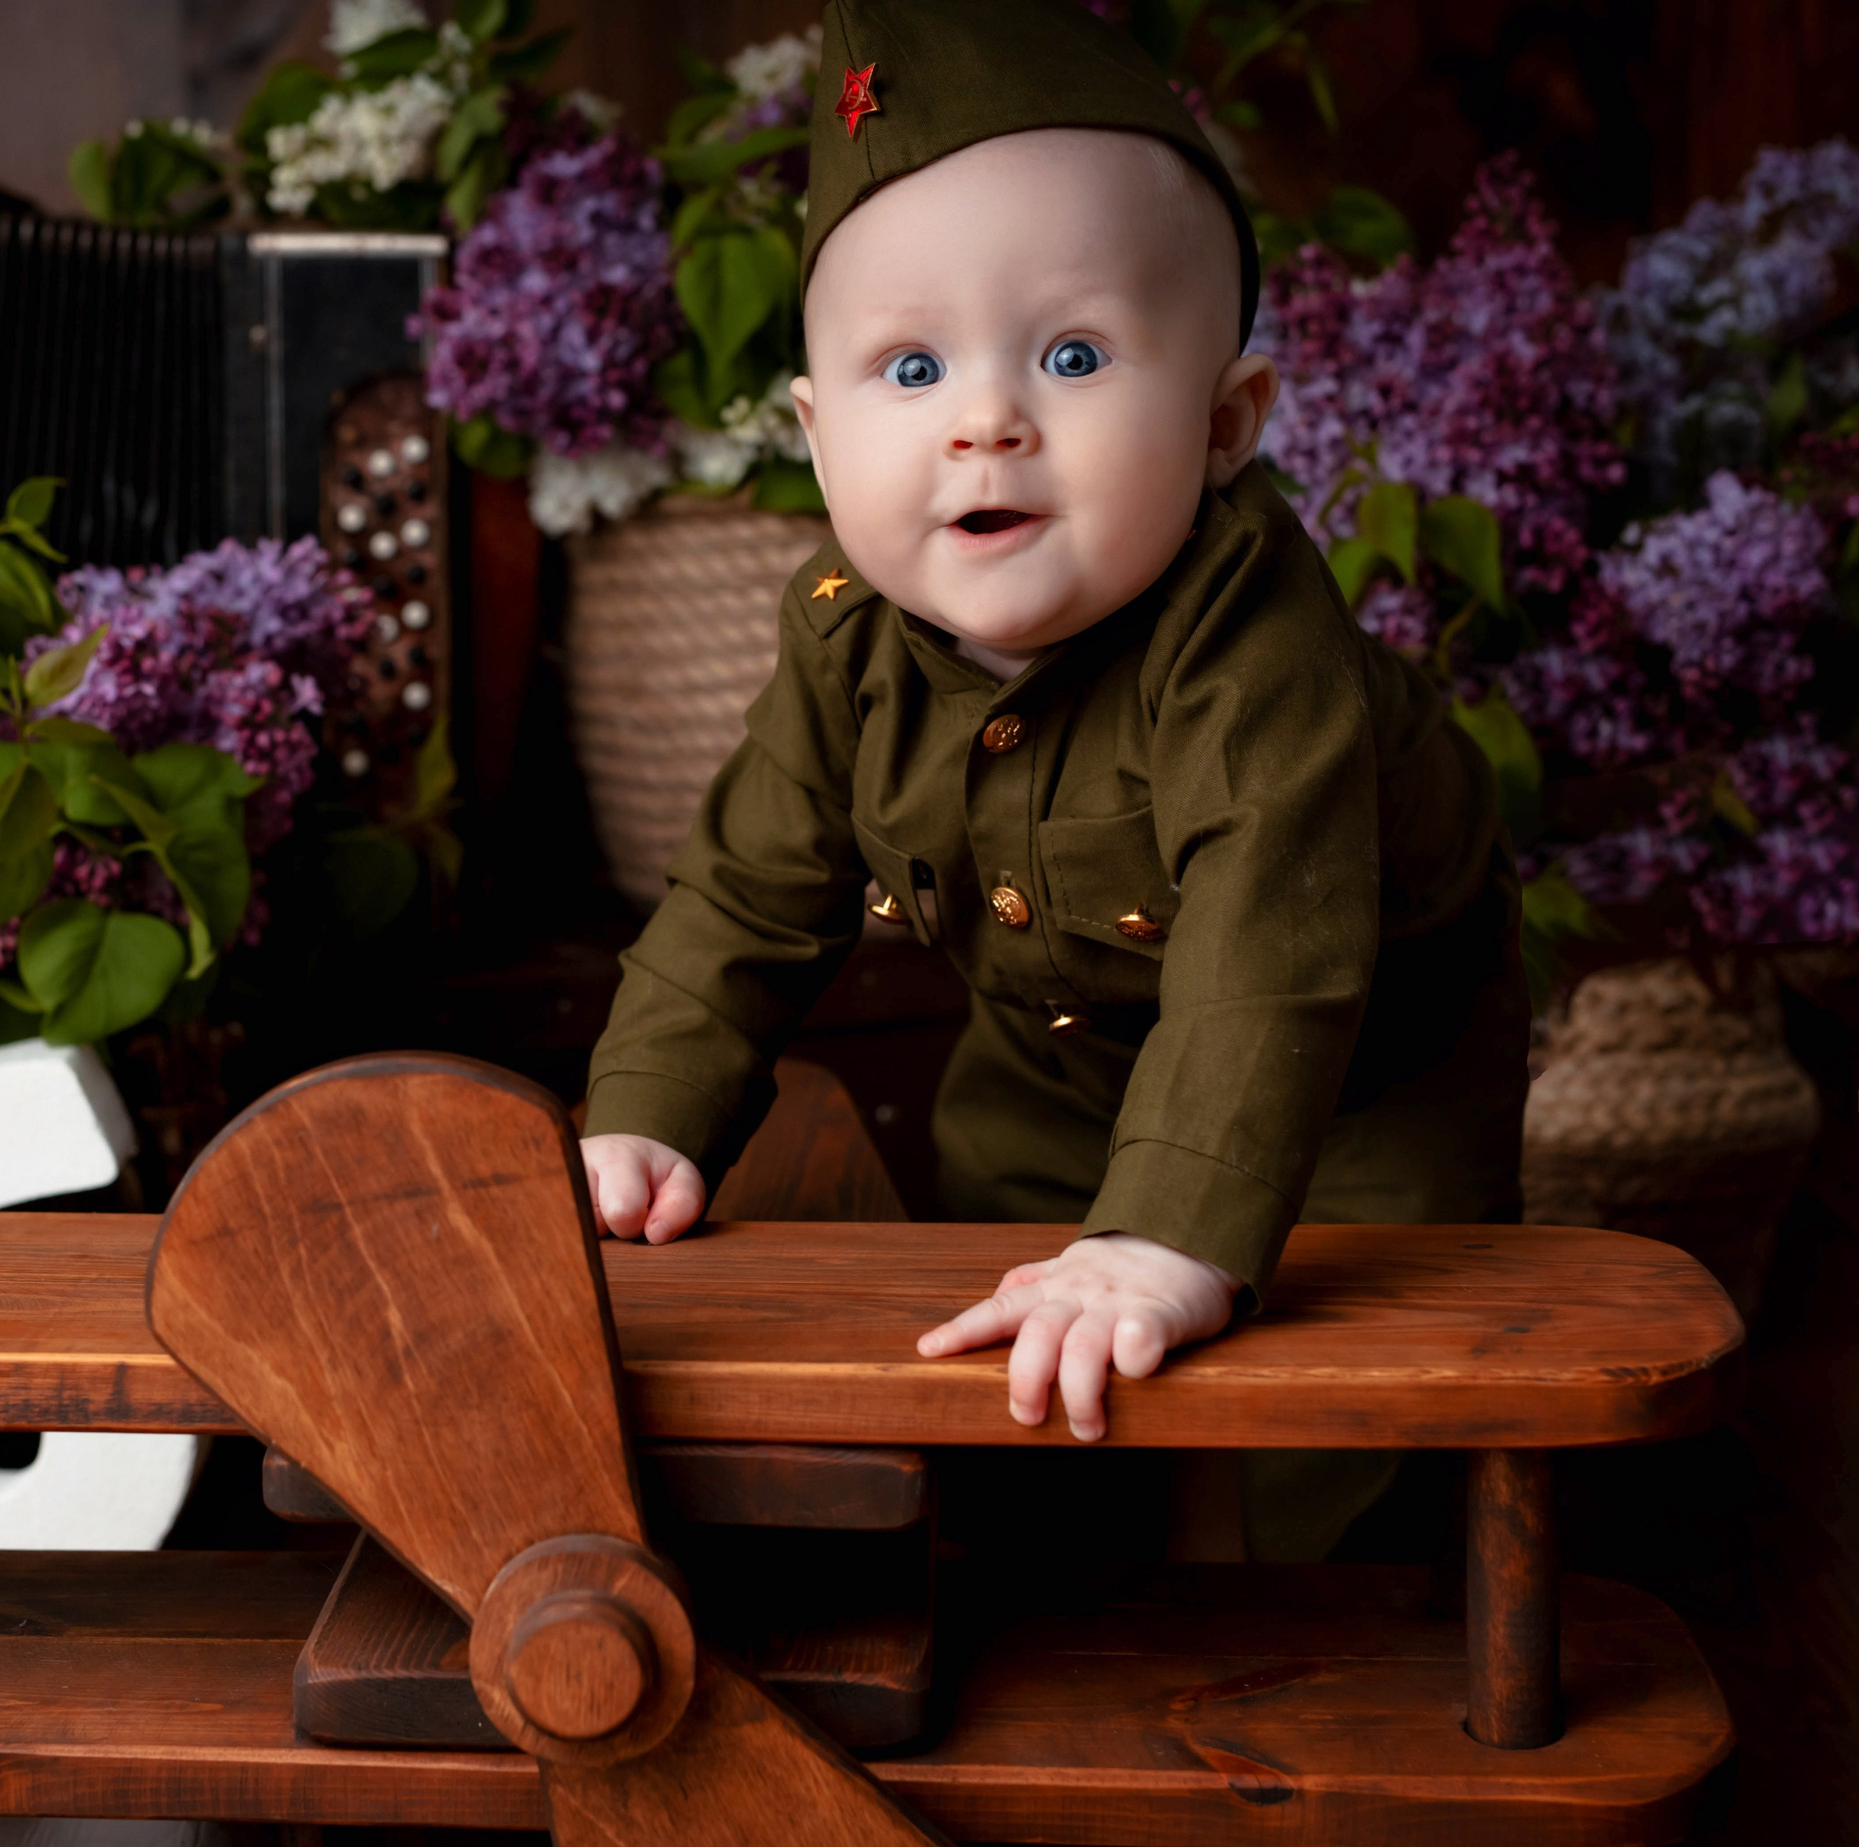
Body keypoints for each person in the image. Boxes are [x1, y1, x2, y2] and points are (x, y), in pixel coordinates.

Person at [579, 0, 1526, 1558]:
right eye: (908, 366)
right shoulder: (849, 644)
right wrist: (645, 1122)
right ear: (816, 440)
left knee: (1346, 1412)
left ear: (1226, 424)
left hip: (1361, 1061)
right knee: (1001, 1326)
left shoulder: (1250, 645)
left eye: (1073, 354)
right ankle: (1051, 1602)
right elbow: (746, 891)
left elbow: (1269, 968)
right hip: (1053, 1044)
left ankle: (1336, 1651)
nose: (984, 420)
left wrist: (1163, 1236)